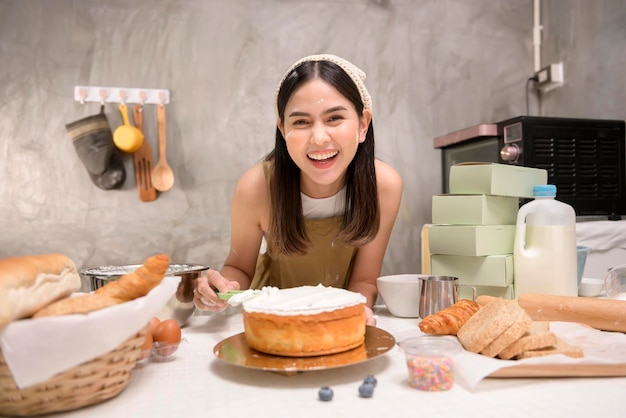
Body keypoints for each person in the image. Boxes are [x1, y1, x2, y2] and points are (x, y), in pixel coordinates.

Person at [194, 54, 403, 325]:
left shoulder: (383, 186)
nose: (318, 138)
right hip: (271, 322)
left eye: (335, 118)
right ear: (282, 129)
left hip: (338, 321)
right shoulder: (256, 187)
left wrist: (355, 313)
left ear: (363, 124)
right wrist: (222, 288)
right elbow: (239, 268)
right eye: (301, 122)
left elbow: (364, 280)